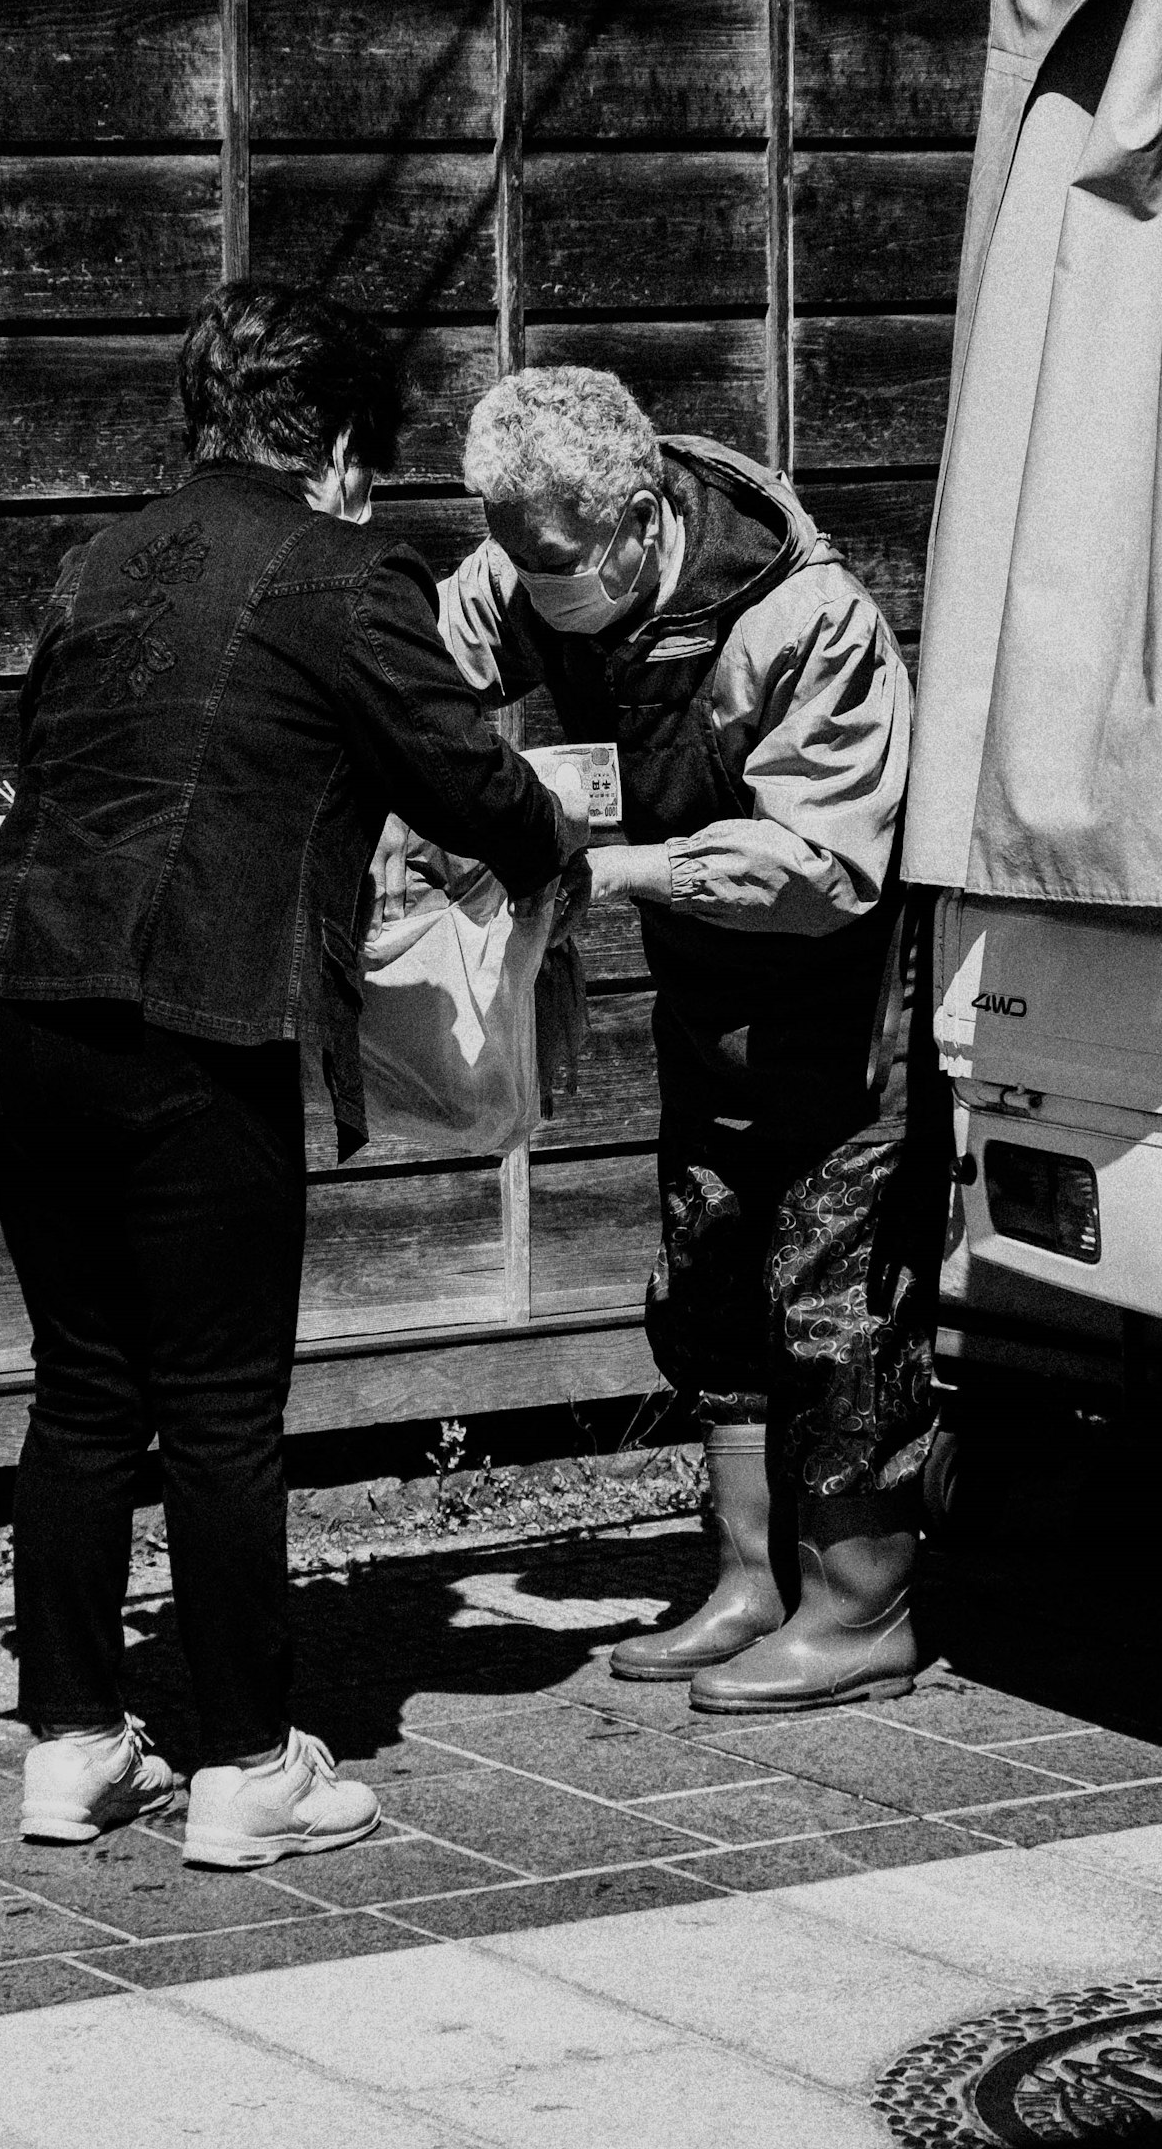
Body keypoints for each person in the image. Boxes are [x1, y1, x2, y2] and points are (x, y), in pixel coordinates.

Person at [0, 283, 582, 1866]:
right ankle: (243, 1770)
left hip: (20, 1009)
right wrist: (559, 840)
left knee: (84, 1395)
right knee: (223, 1415)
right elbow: (472, 781)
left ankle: (74, 1747)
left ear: (198, 421)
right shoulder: (351, 573)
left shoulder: (96, 562)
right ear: (344, 446)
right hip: (191, 1028)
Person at [438, 366, 940, 1713]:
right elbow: (429, 674)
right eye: (514, 555)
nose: (533, 586)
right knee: (711, 1266)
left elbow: (825, 862)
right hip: (703, 985)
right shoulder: (524, 560)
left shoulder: (806, 621)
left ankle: (862, 1611)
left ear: (640, 516)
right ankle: (747, 1581)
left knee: (834, 1292)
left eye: (556, 561)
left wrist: (612, 872)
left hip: (837, 990)